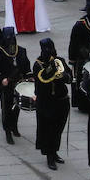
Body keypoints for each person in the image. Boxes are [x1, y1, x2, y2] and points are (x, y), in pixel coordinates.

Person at [33, 38, 71, 169]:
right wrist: (50, 70)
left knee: (58, 128)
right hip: (47, 102)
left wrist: (65, 76)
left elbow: (69, 77)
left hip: (62, 100)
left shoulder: (59, 60)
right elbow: (41, 83)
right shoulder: (38, 64)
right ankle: (49, 155)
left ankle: (54, 151)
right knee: (48, 129)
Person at [0, 27, 30, 145]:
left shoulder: (21, 51)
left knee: (17, 106)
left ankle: (14, 127)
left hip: (18, 84)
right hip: (6, 85)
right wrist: (1, 79)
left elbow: (26, 66)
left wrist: (29, 76)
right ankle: (7, 131)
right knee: (6, 108)